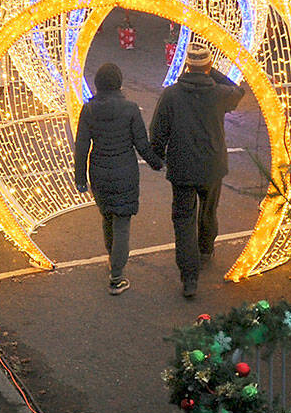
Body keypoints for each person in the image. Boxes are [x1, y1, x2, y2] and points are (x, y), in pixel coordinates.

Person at [149, 42, 245, 298]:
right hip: (212, 164)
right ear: (208, 66)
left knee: (183, 219)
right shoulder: (219, 94)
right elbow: (238, 91)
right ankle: (205, 248)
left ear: (186, 65)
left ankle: (189, 277)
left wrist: (157, 156)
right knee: (208, 209)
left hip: (182, 166)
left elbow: (158, 130)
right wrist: (211, 72)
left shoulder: (171, 94)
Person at [74, 62, 163, 295]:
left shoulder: (88, 110)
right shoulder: (131, 109)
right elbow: (141, 144)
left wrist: (80, 178)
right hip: (124, 171)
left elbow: (82, 146)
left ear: (98, 84)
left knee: (107, 217)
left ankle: (112, 259)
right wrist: (157, 163)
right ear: (119, 83)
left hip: (99, 172)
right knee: (122, 221)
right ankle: (117, 276)